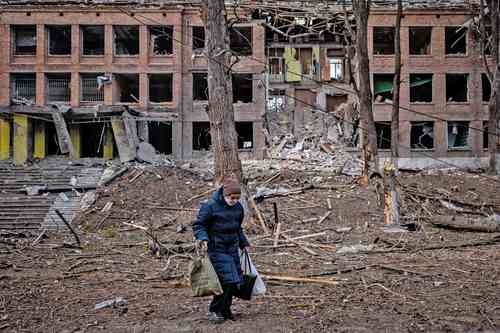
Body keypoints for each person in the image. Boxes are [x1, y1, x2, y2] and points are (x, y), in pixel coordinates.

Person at [192, 177, 250, 323]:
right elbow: (199, 225)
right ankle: (215, 310)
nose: (234, 201)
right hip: (216, 248)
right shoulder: (210, 206)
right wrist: (203, 238)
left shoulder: (238, 208)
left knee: (234, 281)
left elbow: (238, 228)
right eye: (232, 197)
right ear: (224, 195)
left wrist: (244, 243)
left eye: (237, 198)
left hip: (232, 248)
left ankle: (225, 309)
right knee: (226, 281)